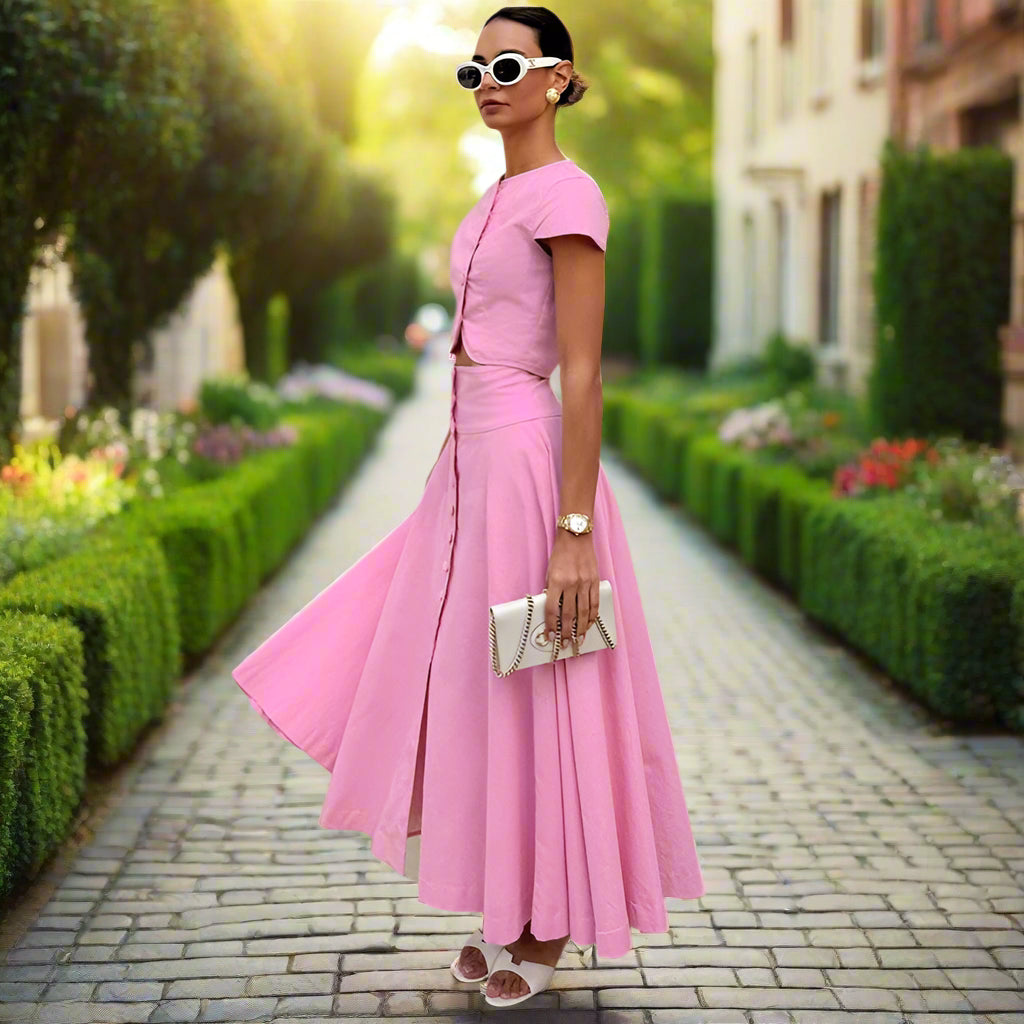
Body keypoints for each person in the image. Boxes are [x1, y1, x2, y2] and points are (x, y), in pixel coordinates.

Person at [231, 4, 705, 1010]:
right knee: (471, 682)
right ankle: (508, 904)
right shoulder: (493, 197)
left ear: (557, 77)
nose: (487, 80)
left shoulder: (570, 196)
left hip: (530, 472)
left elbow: (581, 376)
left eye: (506, 63)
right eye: (473, 68)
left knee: (542, 678)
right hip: (464, 473)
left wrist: (573, 534)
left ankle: (550, 920)